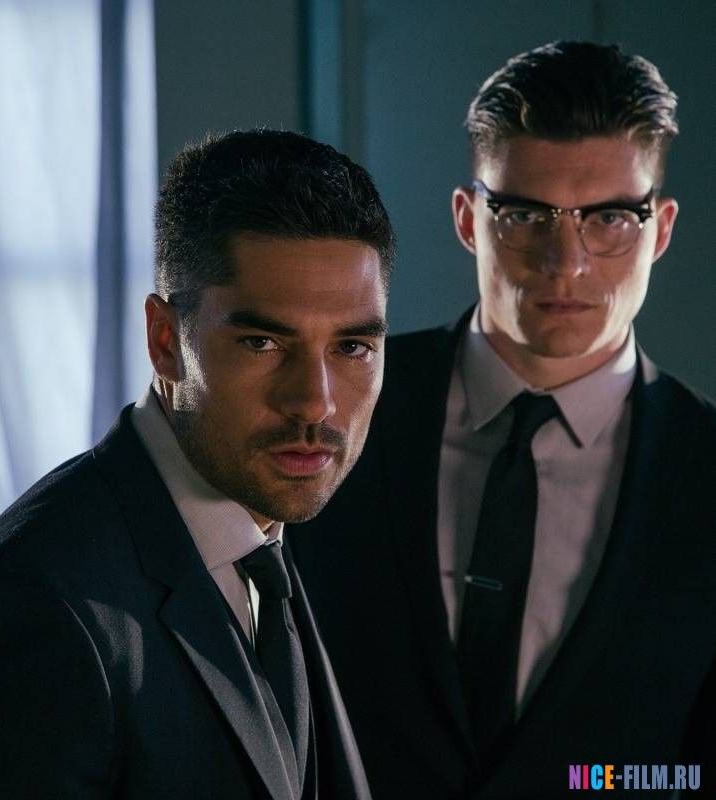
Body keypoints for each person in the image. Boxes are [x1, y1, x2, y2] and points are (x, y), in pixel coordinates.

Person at [0, 129, 395, 799]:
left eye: (351, 348)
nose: (314, 402)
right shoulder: (25, 614)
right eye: (262, 343)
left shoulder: (273, 540)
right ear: (165, 341)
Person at [290, 41, 716, 798]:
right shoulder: (338, 403)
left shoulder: (705, 466)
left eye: (610, 218)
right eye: (524, 214)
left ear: (660, 230)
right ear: (467, 219)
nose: (565, 261)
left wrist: (591, 783)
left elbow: (692, 770)